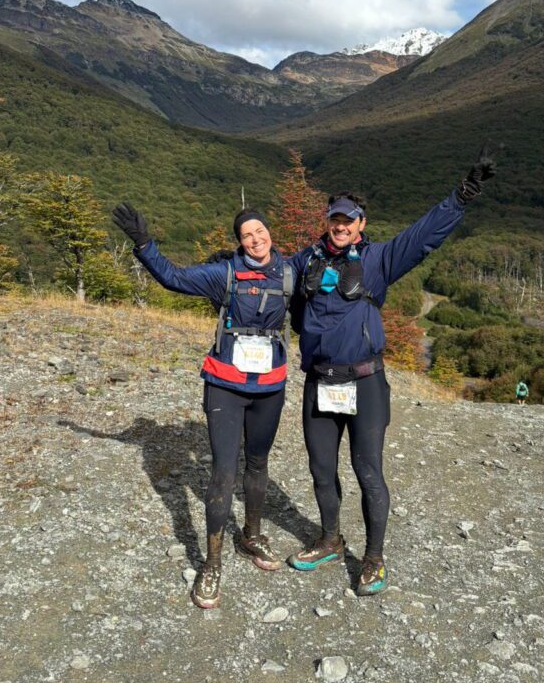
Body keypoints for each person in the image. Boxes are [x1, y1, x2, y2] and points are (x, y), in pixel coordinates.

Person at [286, 149, 496, 596]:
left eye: (349, 220)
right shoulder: (305, 260)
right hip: (319, 381)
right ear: (327, 221)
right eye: (335, 219)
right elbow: (267, 276)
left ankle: (374, 558)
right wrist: (232, 265)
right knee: (321, 469)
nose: (341, 226)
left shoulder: (378, 260)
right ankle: (330, 539)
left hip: (364, 382)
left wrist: (461, 197)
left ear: (361, 223)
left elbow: (422, 237)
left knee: (368, 471)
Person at [112, 202, 296, 610]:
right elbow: (173, 277)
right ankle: (212, 564)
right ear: (239, 242)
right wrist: (143, 243)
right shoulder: (223, 273)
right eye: (247, 235)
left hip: (270, 387)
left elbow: (326, 269)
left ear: (270, 232)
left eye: (260, 231)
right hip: (225, 385)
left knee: (258, 464)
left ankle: (250, 536)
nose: (256, 239)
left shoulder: (290, 271)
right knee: (223, 472)